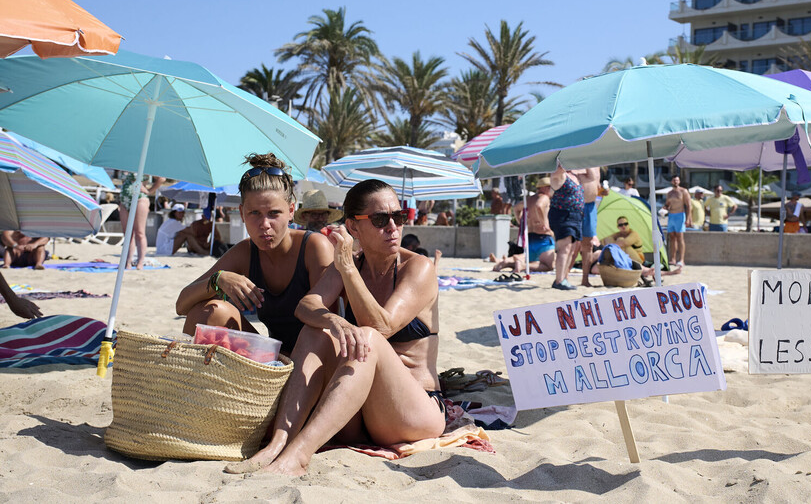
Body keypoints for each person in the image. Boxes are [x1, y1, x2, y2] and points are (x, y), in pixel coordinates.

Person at [232, 179, 443, 476]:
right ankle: (279, 443)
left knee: (367, 336)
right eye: (380, 220)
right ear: (354, 228)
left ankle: (300, 456)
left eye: (399, 216)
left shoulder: (418, 267)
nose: (393, 227)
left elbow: (382, 326)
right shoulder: (351, 262)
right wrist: (333, 318)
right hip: (358, 411)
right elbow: (305, 306)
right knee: (316, 328)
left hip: (412, 411)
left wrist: (347, 270)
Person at [175, 153, 334, 353]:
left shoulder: (314, 246)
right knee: (207, 311)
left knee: (317, 333)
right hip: (274, 356)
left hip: (318, 356)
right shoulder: (245, 252)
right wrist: (219, 279)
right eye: (255, 213)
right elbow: (181, 306)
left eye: (274, 213)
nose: (264, 225)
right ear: (242, 213)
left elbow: (328, 324)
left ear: (291, 210)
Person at [491, 177, 556, 274]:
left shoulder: (529, 199)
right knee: (549, 266)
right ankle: (522, 266)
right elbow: (539, 206)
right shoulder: (544, 197)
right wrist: (545, 223)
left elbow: (516, 208)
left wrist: (520, 222)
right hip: (543, 236)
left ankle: (507, 262)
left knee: (533, 261)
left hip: (530, 237)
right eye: (552, 188)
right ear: (546, 188)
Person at [119, 173, 164, 270]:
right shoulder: (126, 163)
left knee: (139, 232)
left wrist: (149, 191)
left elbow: (161, 179)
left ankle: (140, 261)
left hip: (140, 198)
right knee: (127, 233)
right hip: (124, 199)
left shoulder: (145, 162)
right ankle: (128, 262)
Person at [548, 168, 584, 290]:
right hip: (563, 214)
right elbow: (555, 173)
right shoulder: (560, 174)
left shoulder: (574, 175)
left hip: (576, 215)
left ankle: (563, 278)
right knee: (565, 247)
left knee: (572, 248)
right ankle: (559, 281)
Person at [574, 167, 601, 287]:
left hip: (590, 207)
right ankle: (564, 277)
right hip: (575, 206)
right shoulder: (574, 161)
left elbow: (597, 185)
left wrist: (601, 191)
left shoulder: (597, 165)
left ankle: (585, 279)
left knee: (588, 245)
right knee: (573, 245)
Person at [663, 175, 691, 266]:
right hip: (671, 215)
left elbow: (689, 205)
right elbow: (667, 204)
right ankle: (673, 259)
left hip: (680, 215)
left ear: (679, 181)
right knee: (672, 237)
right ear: (671, 181)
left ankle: (682, 260)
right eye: (674, 180)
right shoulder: (669, 193)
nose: (676, 182)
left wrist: (687, 219)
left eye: (677, 180)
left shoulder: (683, 191)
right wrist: (665, 208)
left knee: (680, 237)